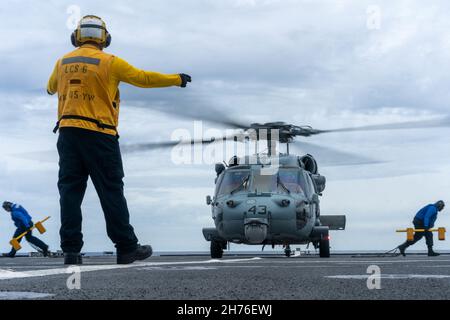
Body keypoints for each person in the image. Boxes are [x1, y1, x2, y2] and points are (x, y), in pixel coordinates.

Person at [46, 15, 192, 265]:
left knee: (70, 192)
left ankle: (71, 251)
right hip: (100, 135)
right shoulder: (110, 62)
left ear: (76, 37)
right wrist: (176, 79)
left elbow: (50, 88)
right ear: (105, 38)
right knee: (111, 190)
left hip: (68, 135)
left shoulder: (62, 62)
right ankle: (126, 247)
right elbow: (144, 78)